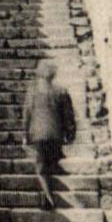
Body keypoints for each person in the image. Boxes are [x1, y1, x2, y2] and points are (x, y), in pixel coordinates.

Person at [22, 59, 76, 210]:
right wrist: (70, 134)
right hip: (56, 136)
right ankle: (47, 198)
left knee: (41, 168)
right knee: (47, 164)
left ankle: (49, 199)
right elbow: (68, 116)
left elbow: (26, 115)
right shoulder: (61, 91)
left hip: (39, 135)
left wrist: (25, 134)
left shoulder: (32, 92)